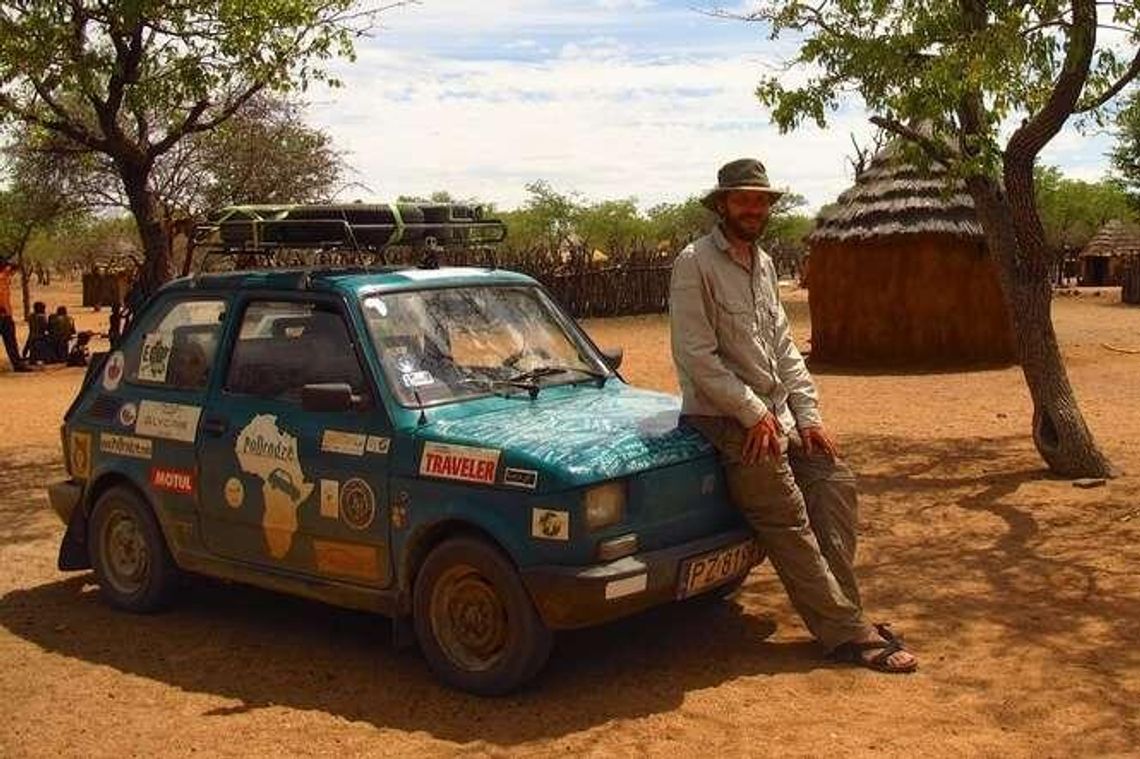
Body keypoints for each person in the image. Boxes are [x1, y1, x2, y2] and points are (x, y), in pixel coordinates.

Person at [669, 158, 917, 673]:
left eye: (760, 199)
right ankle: (847, 633)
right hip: (723, 417)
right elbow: (696, 355)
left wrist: (807, 417)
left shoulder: (762, 264)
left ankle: (849, 614)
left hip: (774, 413)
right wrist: (754, 411)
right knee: (786, 515)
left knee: (832, 482)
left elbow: (783, 348)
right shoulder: (695, 262)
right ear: (722, 205)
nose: (753, 208)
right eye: (743, 199)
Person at [0, 306, 29, 372]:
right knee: (11, 342)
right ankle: (17, 364)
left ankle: (17, 364)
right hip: (4, 314)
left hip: (6, 315)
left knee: (11, 342)